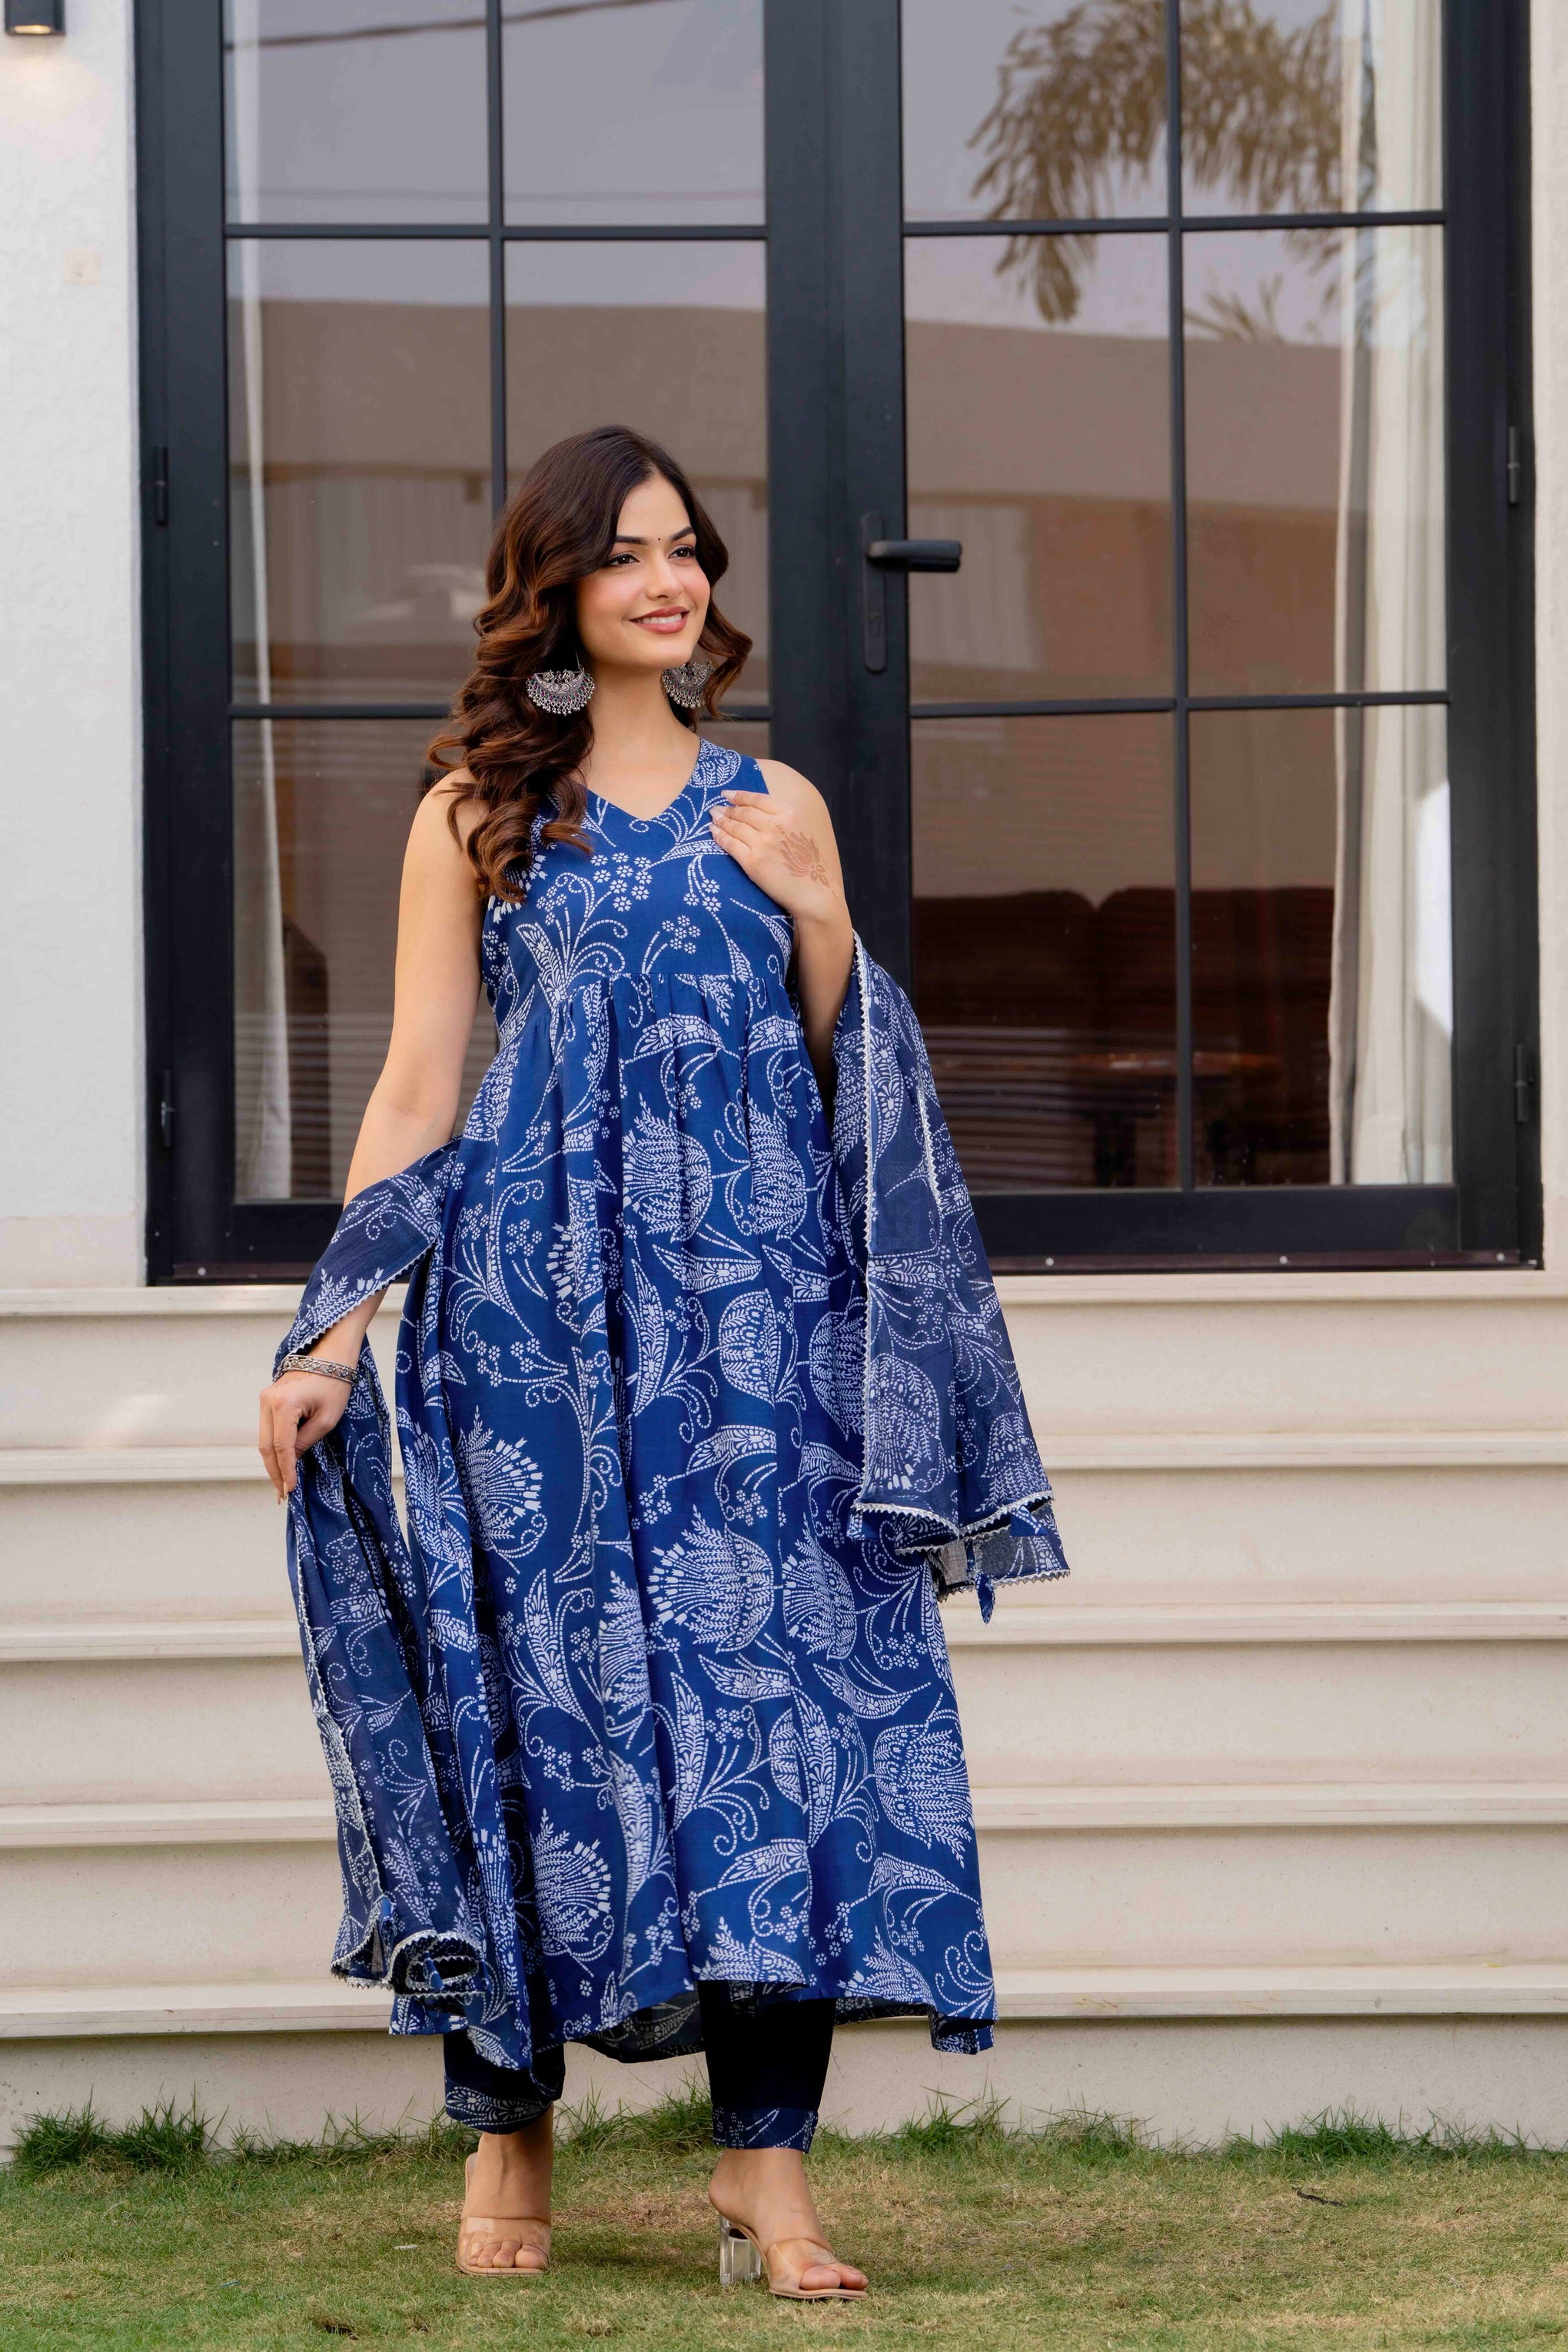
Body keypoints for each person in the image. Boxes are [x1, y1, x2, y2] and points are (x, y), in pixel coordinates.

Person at [257, 424, 1066, 2299]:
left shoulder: (775, 802)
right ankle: (509, 2128)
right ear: (554, 587)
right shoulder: (475, 815)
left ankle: (764, 2169)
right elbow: (418, 1081)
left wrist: (824, 911)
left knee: (773, 1714)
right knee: (536, 1708)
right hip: (531, 1332)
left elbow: (846, 1056)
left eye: (685, 546)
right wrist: (330, 1325)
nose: (667, 578)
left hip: (762, 1333)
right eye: (622, 552)